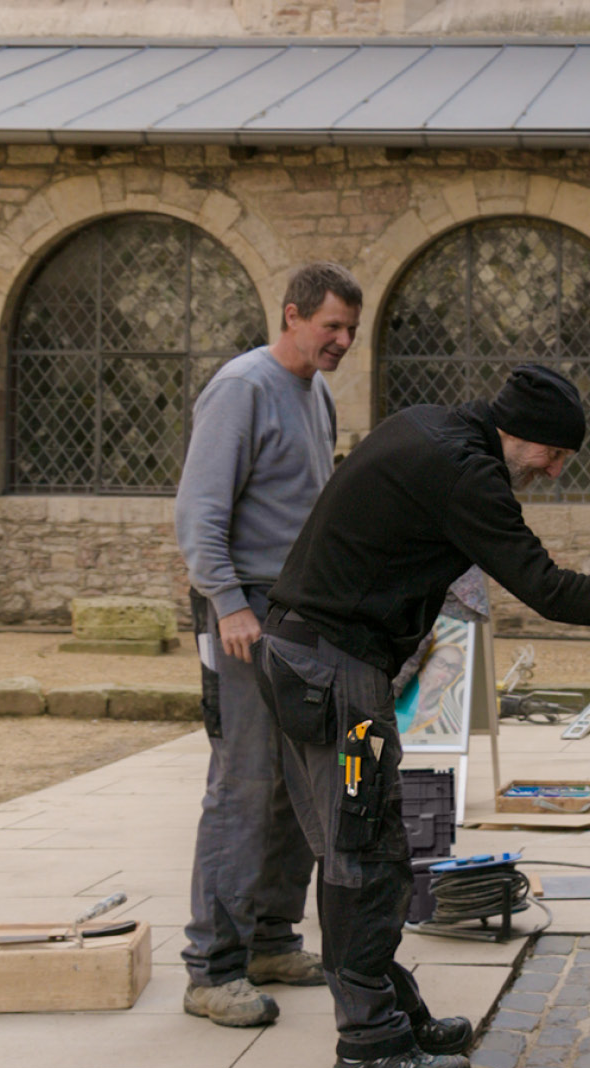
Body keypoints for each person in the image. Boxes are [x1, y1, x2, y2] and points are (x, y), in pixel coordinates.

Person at [257, 363, 590, 1068]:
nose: (555, 470)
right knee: (364, 857)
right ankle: (368, 1046)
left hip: (310, 657)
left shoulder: (428, 426)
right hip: (333, 673)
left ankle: (392, 1013)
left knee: (363, 848)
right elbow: (549, 590)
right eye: (553, 454)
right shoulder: (465, 473)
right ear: (519, 433)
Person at [173, 262, 362, 1027]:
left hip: (293, 613)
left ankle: (270, 940)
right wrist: (226, 604)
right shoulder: (242, 388)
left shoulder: (315, 393)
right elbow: (199, 510)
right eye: (331, 326)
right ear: (292, 315)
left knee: (293, 783)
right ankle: (211, 969)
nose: (342, 340)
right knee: (244, 784)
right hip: (242, 613)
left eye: (351, 330)